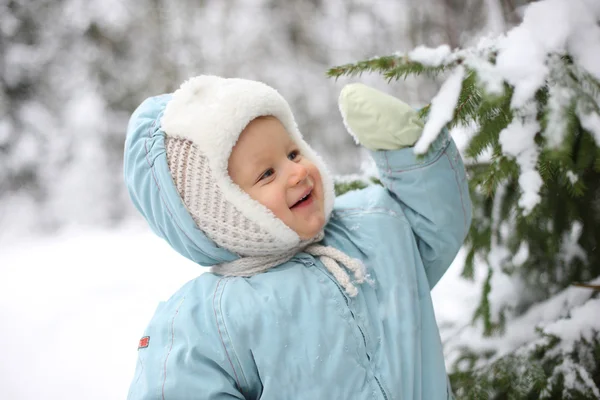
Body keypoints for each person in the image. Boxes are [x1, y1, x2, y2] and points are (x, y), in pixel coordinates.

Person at [123, 75, 472, 400]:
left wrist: (409, 150)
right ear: (221, 213)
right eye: (267, 173)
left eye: (292, 153)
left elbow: (435, 227)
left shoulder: (370, 225)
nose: (298, 171)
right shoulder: (209, 319)